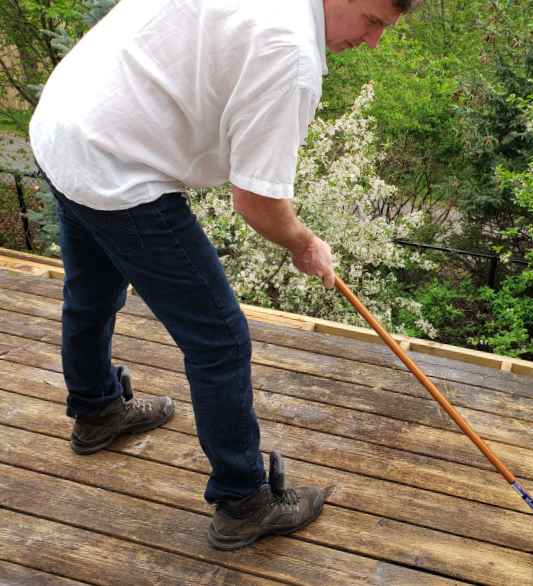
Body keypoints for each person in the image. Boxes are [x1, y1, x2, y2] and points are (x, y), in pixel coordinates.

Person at [28, 0, 418, 551]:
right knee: (220, 341)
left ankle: (96, 412)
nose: (373, 41)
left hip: (63, 125)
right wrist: (304, 243)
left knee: (91, 291)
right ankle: (243, 501)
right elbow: (257, 201)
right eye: (373, 22)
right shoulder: (291, 56)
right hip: (115, 162)